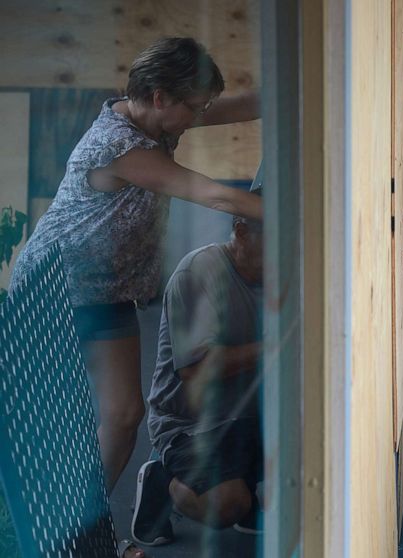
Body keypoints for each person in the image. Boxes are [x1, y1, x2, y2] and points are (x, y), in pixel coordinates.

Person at [9, 37, 262, 507]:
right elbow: (215, 195)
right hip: (53, 286)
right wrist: (305, 213)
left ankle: (86, 529)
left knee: (125, 415)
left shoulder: (159, 114)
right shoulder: (118, 144)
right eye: (196, 106)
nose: (201, 114)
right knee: (46, 422)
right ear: (162, 96)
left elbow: (247, 104)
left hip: (108, 290)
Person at [131, 189, 264, 546]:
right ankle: (163, 479)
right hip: (191, 423)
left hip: (251, 416)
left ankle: (250, 489)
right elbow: (196, 370)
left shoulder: (286, 276)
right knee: (226, 505)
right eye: (271, 236)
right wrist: (274, 348)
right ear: (240, 229)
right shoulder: (199, 272)